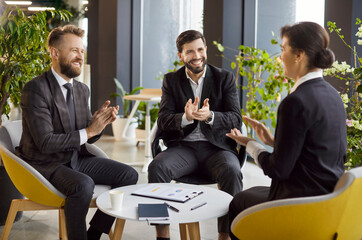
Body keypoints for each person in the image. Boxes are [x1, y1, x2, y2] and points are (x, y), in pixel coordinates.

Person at [16, 25, 138, 240]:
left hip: (75, 157)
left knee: (128, 174)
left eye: (82, 51)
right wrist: (89, 130)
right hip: (45, 162)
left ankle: (94, 233)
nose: (80, 56)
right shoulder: (35, 89)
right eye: (74, 50)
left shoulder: (82, 89)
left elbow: (86, 134)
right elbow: (45, 142)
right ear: (54, 53)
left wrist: (98, 125)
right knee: (83, 184)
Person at [226, 22, 347, 239]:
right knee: (250, 195)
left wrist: (250, 144)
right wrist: (275, 141)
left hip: (297, 202)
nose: (280, 57)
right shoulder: (333, 95)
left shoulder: (295, 101)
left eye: (283, 49)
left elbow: (277, 170)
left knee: (237, 203)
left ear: (299, 55)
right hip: (328, 200)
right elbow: (317, 147)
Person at [148, 30, 244, 240]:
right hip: (183, 150)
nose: (196, 55)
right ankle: (162, 235)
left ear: (206, 50)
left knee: (232, 172)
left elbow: (236, 118)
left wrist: (211, 116)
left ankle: (225, 236)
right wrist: (185, 117)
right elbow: (163, 119)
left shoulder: (224, 78)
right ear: (180, 55)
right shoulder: (171, 81)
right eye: (189, 52)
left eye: (200, 49)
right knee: (156, 168)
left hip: (216, 149)